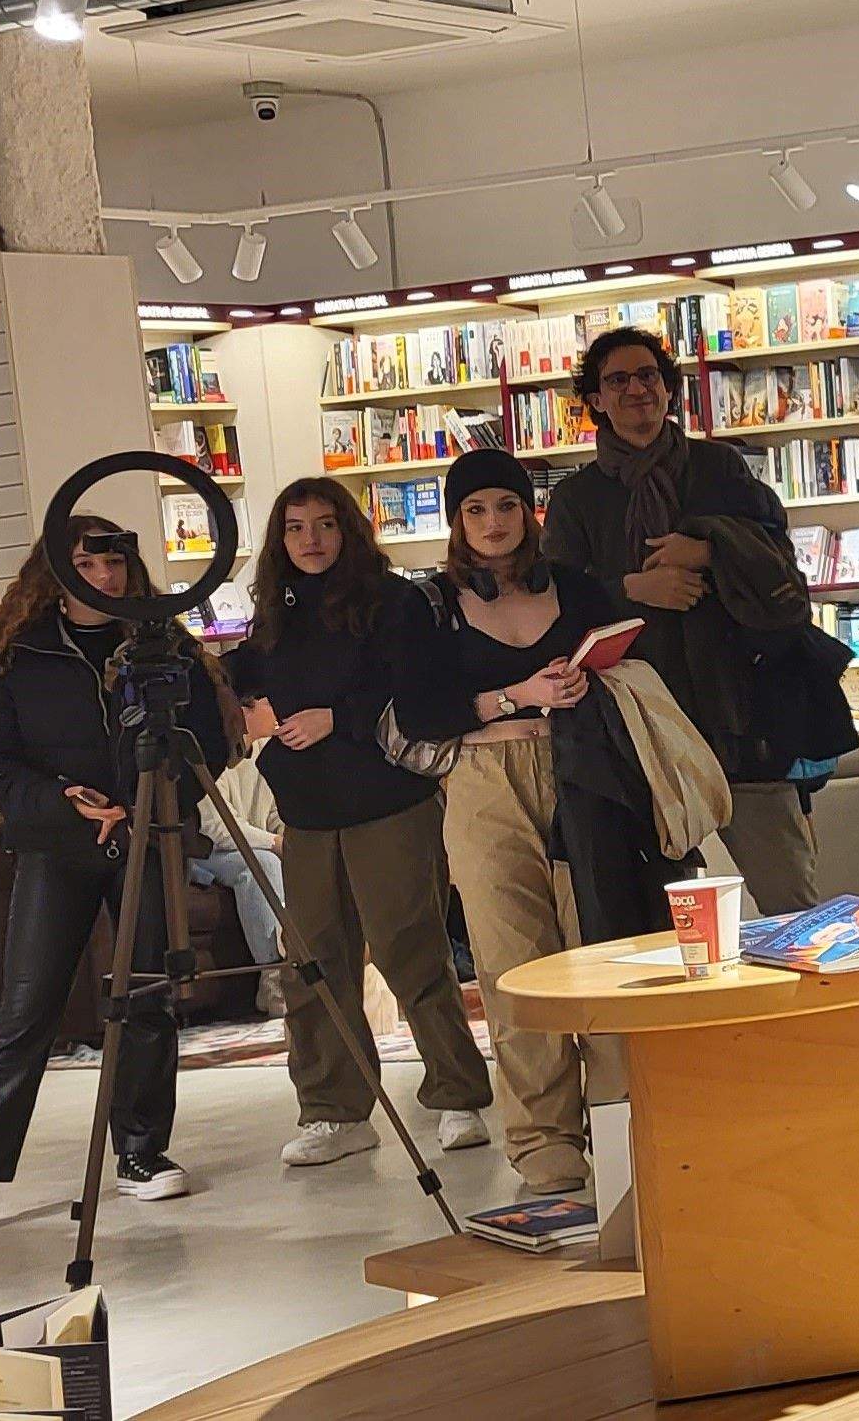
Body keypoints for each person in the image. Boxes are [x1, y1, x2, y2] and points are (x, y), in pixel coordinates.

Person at [0, 517, 233, 1228]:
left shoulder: (165, 649)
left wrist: (159, 801)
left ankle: (142, 1152)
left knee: (147, 995)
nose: (105, 578)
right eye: (87, 563)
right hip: (58, 842)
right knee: (27, 1006)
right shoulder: (16, 655)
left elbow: (210, 745)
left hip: (150, 832)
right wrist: (64, 803)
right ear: (57, 572)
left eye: (115, 563)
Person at [227, 477, 493, 1169]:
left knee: (412, 949)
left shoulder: (396, 601)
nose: (309, 540)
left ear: (348, 529)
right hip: (308, 813)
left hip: (388, 802)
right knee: (311, 964)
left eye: (323, 524)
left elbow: (420, 690)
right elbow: (246, 676)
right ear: (279, 540)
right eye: (294, 528)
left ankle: (458, 1094)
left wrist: (338, 719)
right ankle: (334, 1110)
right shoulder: (274, 616)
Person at [542, 326, 845, 916]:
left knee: (790, 895)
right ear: (596, 400)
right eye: (618, 380)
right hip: (643, 729)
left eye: (648, 375)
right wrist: (633, 588)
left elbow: (782, 567)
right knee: (663, 911)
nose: (636, 390)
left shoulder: (719, 468)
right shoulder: (578, 498)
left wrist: (708, 550)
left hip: (740, 710)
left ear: (669, 388)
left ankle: (810, 1008)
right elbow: (558, 604)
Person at [396, 448, 627, 1193]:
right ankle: (542, 1136)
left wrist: (584, 679)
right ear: (456, 521)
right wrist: (517, 694)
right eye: (474, 510)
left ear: (528, 512)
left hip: (580, 774)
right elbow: (422, 713)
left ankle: (623, 1111)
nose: (492, 523)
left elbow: (624, 662)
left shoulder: (577, 587)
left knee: (602, 941)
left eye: (504, 506)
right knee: (512, 957)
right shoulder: (427, 604)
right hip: (483, 781)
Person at [186, 755, 288, 1016]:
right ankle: (274, 980)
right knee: (262, 863)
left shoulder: (267, 749)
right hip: (206, 851)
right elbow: (215, 828)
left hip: (251, 843)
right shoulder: (214, 751)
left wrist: (293, 841)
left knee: (302, 858)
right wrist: (274, 842)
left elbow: (276, 812)